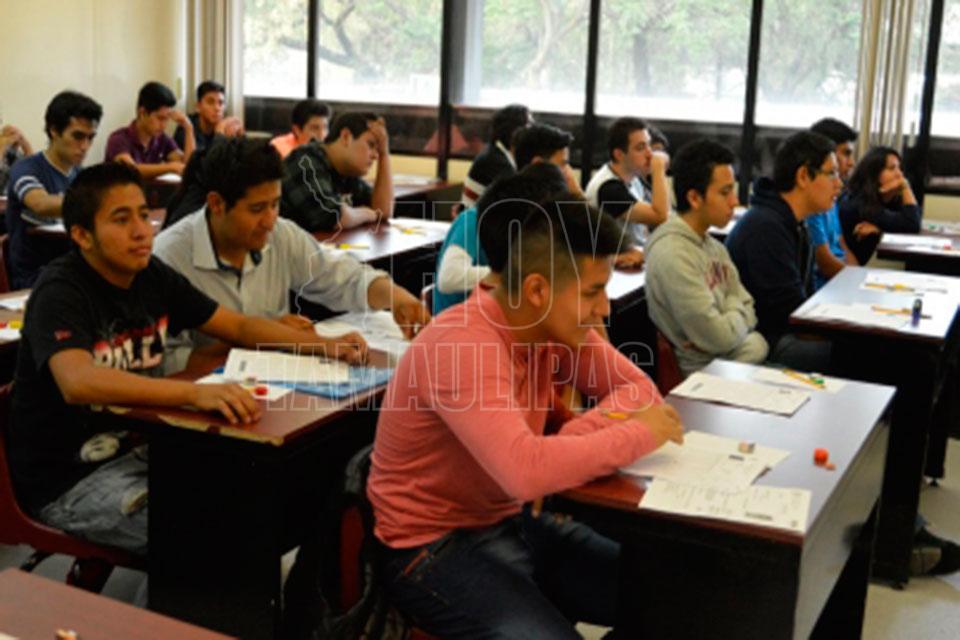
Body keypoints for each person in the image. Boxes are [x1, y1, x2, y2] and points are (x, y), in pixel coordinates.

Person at [6, 162, 370, 555]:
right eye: (122, 220)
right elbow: (78, 382)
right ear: (82, 235)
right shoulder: (61, 290)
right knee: (214, 538)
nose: (141, 231)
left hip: (151, 447)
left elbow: (237, 326)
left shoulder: (150, 275)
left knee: (275, 497)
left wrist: (320, 344)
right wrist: (194, 394)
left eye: (143, 215)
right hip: (71, 478)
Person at [369, 197, 683, 638]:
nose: (605, 308)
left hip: (509, 519)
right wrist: (636, 434)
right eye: (592, 292)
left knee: (678, 600)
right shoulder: (464, 344)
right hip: (432, 546)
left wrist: (568, 439)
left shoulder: (551, 326)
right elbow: (525, 472)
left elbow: (639, 392)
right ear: (537, 290)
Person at [154, 137, 430, 374]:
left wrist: (395, 296)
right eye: (257, 209)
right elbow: (165, 365)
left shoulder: (281, 234)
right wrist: (270, 336)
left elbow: (341, 277)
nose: (269, 220)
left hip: (274, 388)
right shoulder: (168, 257)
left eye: (275, 204)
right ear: (216, 204)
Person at [645, 139, 767, 376]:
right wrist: (735, 313)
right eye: (725, 192)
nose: (734, 201)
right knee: (757, 345)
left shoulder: (714, 246)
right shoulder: (672, 254)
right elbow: (719, 337)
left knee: (759, 344)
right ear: (694, 198)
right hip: (700, 376)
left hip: (728, 359)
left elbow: (749, 306)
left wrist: (729, 317)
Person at [725, 131, 840, 373]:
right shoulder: (765, 228)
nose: (839, 183)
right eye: (831, 173)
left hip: (786, 332)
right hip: (766, 342)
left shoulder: (794, 222)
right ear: (803, 176)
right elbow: (793, 317)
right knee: (864, 353)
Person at [433, 162, 568, 314]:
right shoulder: (473, 219)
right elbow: (448, 278)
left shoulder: (523, 224)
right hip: (458, 317)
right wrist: (510, 275)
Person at [5, 91, 102, 288]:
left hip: (71, 272)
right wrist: (99, 202)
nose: (85, 146)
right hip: (35, 279)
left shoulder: (81, 175)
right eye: (78, 136)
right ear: (54, 131)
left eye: (90, 138)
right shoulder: (26, 169)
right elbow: (39, 204)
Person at [280, 112, 393, 232]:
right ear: (346, 136)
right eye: (371, 145)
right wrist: (367, 213)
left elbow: (382, 211)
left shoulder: (346, 172)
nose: (375, 156)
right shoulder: (304, 162)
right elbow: (333, 215)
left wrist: (384, 154)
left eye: (378, 149)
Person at [584, 117, 670, 248]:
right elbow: (660, 216)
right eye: (640, 148)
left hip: (635, 250)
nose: (650, 154)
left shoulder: (633, 176)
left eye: (648, 145)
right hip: (615, 257)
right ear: (619, 154)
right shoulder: (609, 189)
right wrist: (658, 169)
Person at [839, 146, 921, 265]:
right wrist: (905, 186)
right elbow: (912, 223)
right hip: (839, 271)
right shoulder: (861, 203)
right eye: (892, 168)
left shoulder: (877, 199)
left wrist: (879, 230)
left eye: (899, 168)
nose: (900, 175)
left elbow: (914, 215)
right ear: (874, 173)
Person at [806, 118, 859, 289]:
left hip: (840, 281)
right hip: (824, 289)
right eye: (846, 153)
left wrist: (860, 276)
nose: (851, 163)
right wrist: (857, 282)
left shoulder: (832, 193)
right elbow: (825, 263)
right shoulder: (812, 200)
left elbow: (841, 244)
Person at [105, 81, 194, 178]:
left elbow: (186, 165)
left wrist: (189, 128)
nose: (164, 125)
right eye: (160, 118)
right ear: (142, 113)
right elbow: (131, 170)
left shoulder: (162, 139)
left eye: (167, 119)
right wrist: (169, 167)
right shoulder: (118, 139)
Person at [460, 104, 532, 209]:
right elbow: (520, 198)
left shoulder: (500, 151)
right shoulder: (494, 160)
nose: (532, 131)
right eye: (529, 125)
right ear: (514, 131)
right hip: (476, 218)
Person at [173, 80, 243, 153]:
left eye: (221, 103)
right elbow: (193, 159)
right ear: (198, 107)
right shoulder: (186, 127)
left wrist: (240, 134)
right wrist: (219, 133)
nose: (217, 108)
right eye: (210, 102)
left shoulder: (227, 126)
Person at [0, 123, 34, 193]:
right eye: (10, 135)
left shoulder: (17, 154)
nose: (13, 138)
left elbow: (33, 172)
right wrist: (2, 146)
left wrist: (26, 146)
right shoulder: (2, 149)